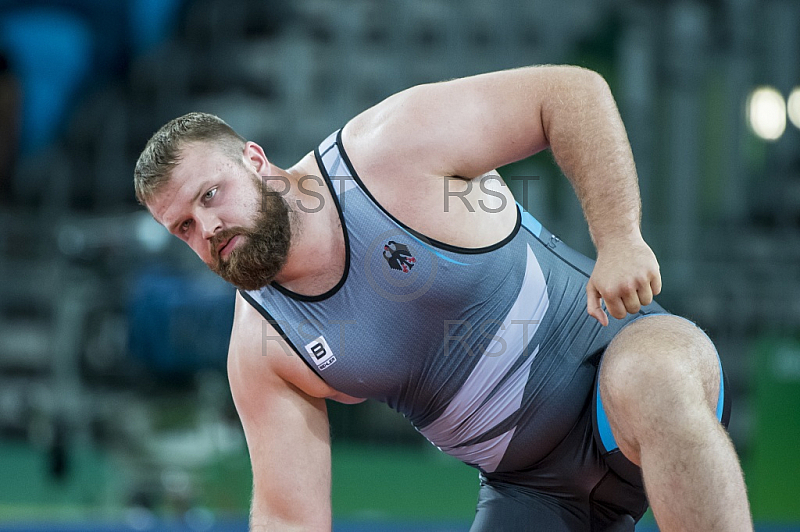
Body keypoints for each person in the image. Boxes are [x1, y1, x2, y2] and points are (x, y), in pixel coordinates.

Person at [134, 65, 753, 531]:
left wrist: (619, 239)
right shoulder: (262, 348)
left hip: (618, 352)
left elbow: (569, 93)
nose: (207, 230)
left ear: (255, 160)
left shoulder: (384, 154)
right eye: (183, 227)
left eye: (210, 195)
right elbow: (289, 518)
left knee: (652, 380)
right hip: (531, 490)